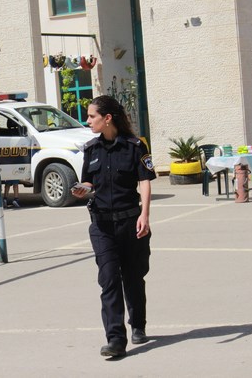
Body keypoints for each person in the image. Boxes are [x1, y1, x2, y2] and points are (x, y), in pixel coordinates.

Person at [71, 95, 155, 358]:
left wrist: (145, 216)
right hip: (102, 226)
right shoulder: (91, 149)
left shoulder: (135, 146)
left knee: (133, 277)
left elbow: (145, 181)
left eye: (92, 116)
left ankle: (138, 324)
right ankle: (116, 340)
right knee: (108, 280)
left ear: (107, 118)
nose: (88, 121)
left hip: (131, 223)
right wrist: (82, 189)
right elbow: (89, 183)